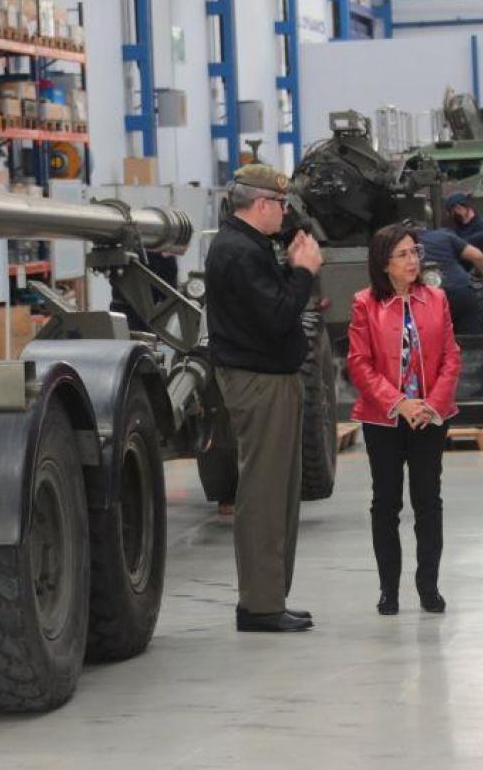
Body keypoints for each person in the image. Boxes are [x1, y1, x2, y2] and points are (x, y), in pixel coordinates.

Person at [204, 163, 323, 634]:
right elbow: (276, 317)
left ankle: (270, 597)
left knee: (280, 491)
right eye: (280, 204)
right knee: (265, 493)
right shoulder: (238, 252)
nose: (285, 213)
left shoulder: (249, 246)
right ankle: (260, 604)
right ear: (260, 204)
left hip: (270, 377)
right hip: (258, 381)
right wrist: (303, 272)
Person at [347, 224, 462, 617]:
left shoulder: (437, 299)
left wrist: (431, 404)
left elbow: (451, 357)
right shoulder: (365, 303)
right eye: (403, 254)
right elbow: (359, 364)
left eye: (415, 252)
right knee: (386, 503)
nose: (413, 260)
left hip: (431, 417)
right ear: (384, 263)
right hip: (385, 420)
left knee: (428, 501)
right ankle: (388, 591)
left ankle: (428, 586)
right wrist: (400, 403)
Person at [419, 226, 483, 335]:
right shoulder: (443, 235)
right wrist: (479, 275)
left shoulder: (403, 243)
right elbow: (478, 256)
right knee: (471, 342)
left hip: (424, 299)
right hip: (460, 290)